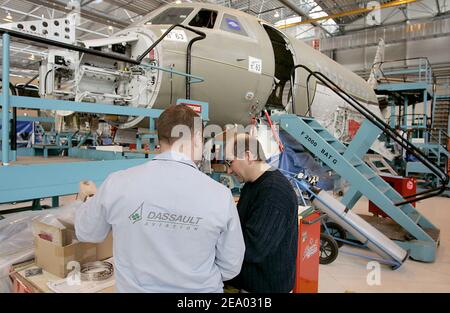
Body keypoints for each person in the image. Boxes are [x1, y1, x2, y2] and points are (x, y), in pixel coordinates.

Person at [75, 105, 245, 293]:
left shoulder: (117, 183)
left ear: (159, 137)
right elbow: (231, 265)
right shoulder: (220, 195)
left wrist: (89, 198)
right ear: (197, 138)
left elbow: (87, 232)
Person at [226, 133, 298, 293]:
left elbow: (253, 248)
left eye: (230, 162)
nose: (229, 171)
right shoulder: (253, 184)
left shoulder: (273, 192)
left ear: (248, 156)